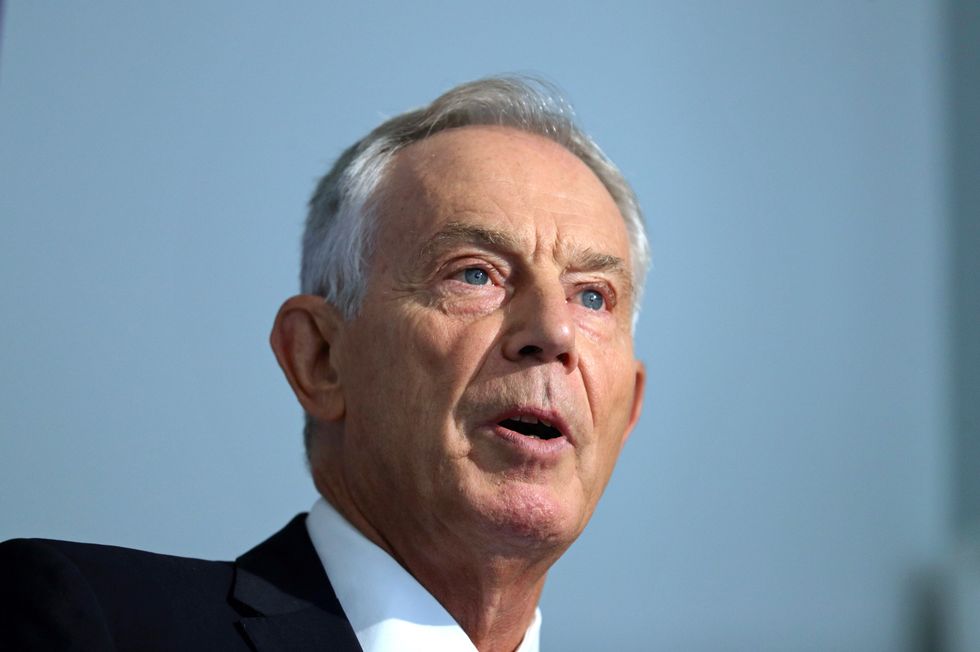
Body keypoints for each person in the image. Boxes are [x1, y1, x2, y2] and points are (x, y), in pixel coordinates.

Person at [0, 76, 649, 652]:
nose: (553, 330)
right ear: (320, 358)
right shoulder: (96, 623)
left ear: (629, 411)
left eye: (593, 295)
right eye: (475, 274)